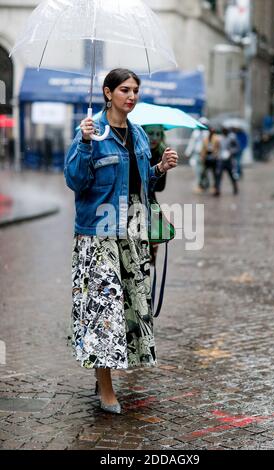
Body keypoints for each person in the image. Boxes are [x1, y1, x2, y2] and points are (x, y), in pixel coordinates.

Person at [64, 68, 179, 414]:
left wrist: (159, 168)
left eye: (135, 90)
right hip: (98, 235)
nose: (131, 96)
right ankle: (106, 388)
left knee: (127, 308)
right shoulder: (91, 132)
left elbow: (140, 181)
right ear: (107, 92)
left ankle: (103, 378)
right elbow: (75, 181)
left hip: (133, 231)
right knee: (105, 311)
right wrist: (84, 143)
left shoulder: (140, 135)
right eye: (124, 90)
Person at [142, 125, 167, 265]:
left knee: (150, 257)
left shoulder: (161, 153)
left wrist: (159, 169)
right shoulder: (133, 150)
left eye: (158, 134)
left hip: (150, 204)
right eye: (151, 133)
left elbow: (160, 187)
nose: (155, 138)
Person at [185, 117, 209, 193]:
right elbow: (192, 143)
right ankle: (198, 185)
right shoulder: (195, 132)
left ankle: (205, 184)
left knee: (204, 170)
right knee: (197, 170)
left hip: (204, 154)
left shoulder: (208, 133)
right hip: (196, 153)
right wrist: (188, 152)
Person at [215, 127, 239, 196]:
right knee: (218, 175)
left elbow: (237, 147)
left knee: (232, 175)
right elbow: (217, 148)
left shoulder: (231, 139)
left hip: (229, 159)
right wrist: (217, 154)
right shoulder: (219, 139)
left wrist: (231, 152)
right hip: (221, 160)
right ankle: (217, 189)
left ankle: (235, 187)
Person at [200, 125, 220, 195]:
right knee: (203, 172)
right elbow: (203, 148)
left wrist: (216, 155)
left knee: (215, 173)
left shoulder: (216, 139)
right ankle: (202, 186)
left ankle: (215, 187)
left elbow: (218, 148)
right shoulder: (206, 139)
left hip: (213, 157)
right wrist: (202, 157)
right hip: (206, 156)